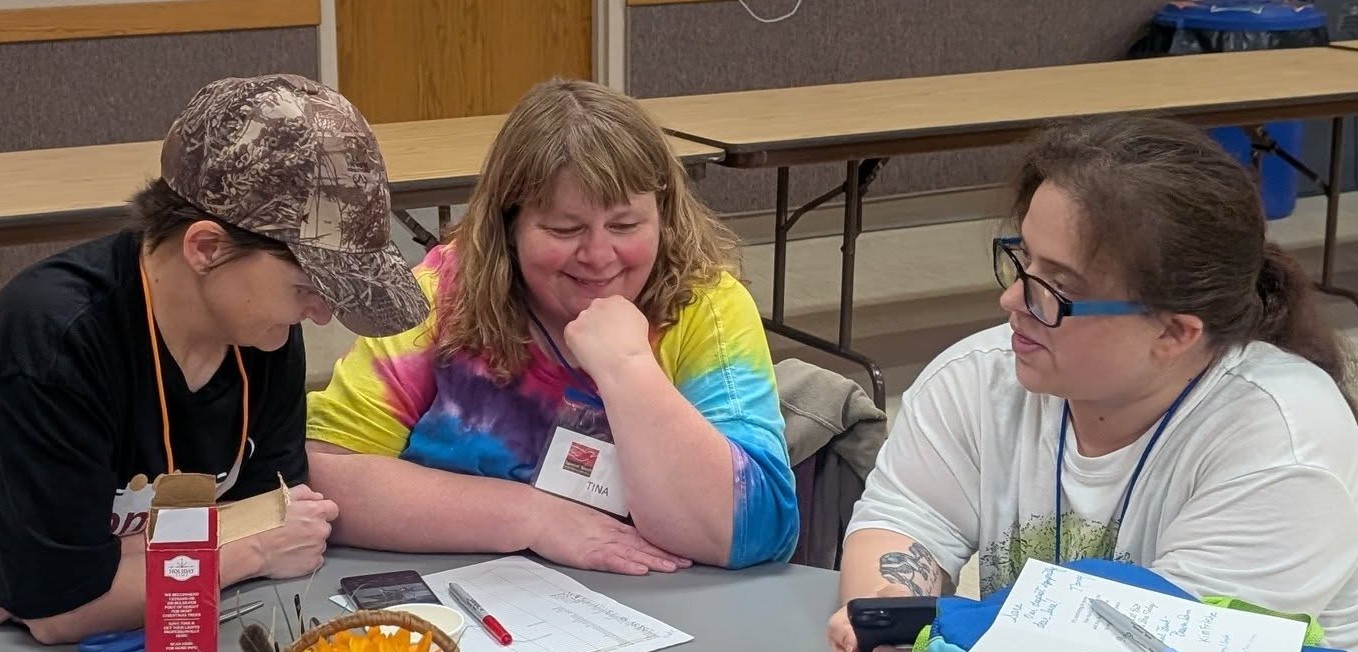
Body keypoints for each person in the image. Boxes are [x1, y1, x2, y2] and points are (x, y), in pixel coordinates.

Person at [828, 116, 1358, 651]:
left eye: (1057, 287)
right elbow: (907, 521)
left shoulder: (1285, 448)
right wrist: (888, 617)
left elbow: (1154, 638)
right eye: (1022, 260)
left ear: (1174, 331)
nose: (1012, 302)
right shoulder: (979, 378)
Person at [305, 78, 799, 574]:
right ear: (508, 227)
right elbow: (322, 477)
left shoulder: (702, 306)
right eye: (565, 230)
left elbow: (754, 530)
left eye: (626, 226)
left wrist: (628, 368)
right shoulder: (439, 298)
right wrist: (531, 517)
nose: (600, 257)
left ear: (664, 217)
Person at [0, 74, 429, 644]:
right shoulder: (55, 341)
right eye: (308, 286)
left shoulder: (263, 333)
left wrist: (128, 557)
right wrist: (251, 549)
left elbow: (283, 511)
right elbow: (64, 611)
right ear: (207, 248)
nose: (322, 315)